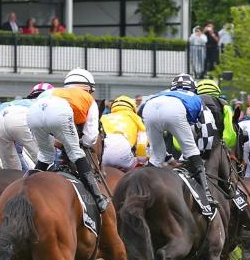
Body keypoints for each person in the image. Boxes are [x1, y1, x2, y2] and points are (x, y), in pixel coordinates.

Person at [27, 68, 109, 212]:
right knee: (77, 154)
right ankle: (98, 198)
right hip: (59, 113)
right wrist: (79, 142)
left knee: (45, 156)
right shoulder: (88, 99)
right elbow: (90, 139)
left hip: (33, 112)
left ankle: (24, 184)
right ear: (89, 89)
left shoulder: (54, 92)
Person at [140, 73, 219, 215]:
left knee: (156, 157)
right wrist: (203, 155)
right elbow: (208, 130)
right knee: (191, 151)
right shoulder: (197, 98)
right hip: (174, 110)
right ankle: (206, 196)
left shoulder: (163, 94)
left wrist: (169, 159)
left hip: (148, 107)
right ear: (194, 89)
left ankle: (143, 190)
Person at [0, 83, 51, 170]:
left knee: (11, 171)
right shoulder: (47, 104)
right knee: (46, 160)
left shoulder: (17, 102)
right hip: (22, 119)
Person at [100, 95, 148, 171]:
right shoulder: (137, 119)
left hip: (102, 158)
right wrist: (142, 160)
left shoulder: (104, 117)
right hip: (123, 158)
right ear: (133, 108)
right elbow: (141, 145)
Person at [196, 79, 237, 149]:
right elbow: (230, 133)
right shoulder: (225, 106)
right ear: (217, 91)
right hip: (217, 147)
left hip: (194, 148)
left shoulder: (190, 105)